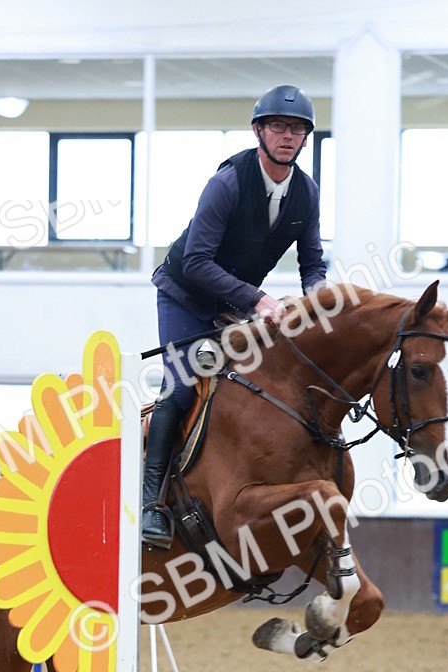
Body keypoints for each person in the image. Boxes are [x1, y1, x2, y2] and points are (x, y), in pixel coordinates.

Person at [141, 83, 328, 550]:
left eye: (298, 129)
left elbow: (312, 262)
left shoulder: (305, 193)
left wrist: (319, 302)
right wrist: (259, 300)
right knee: (184, 387)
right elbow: (198, 262)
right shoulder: (227, 183)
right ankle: (151, 504)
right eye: (279, 127)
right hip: (184, 295)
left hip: (234, 303)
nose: (289, 136)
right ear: (259, 131)